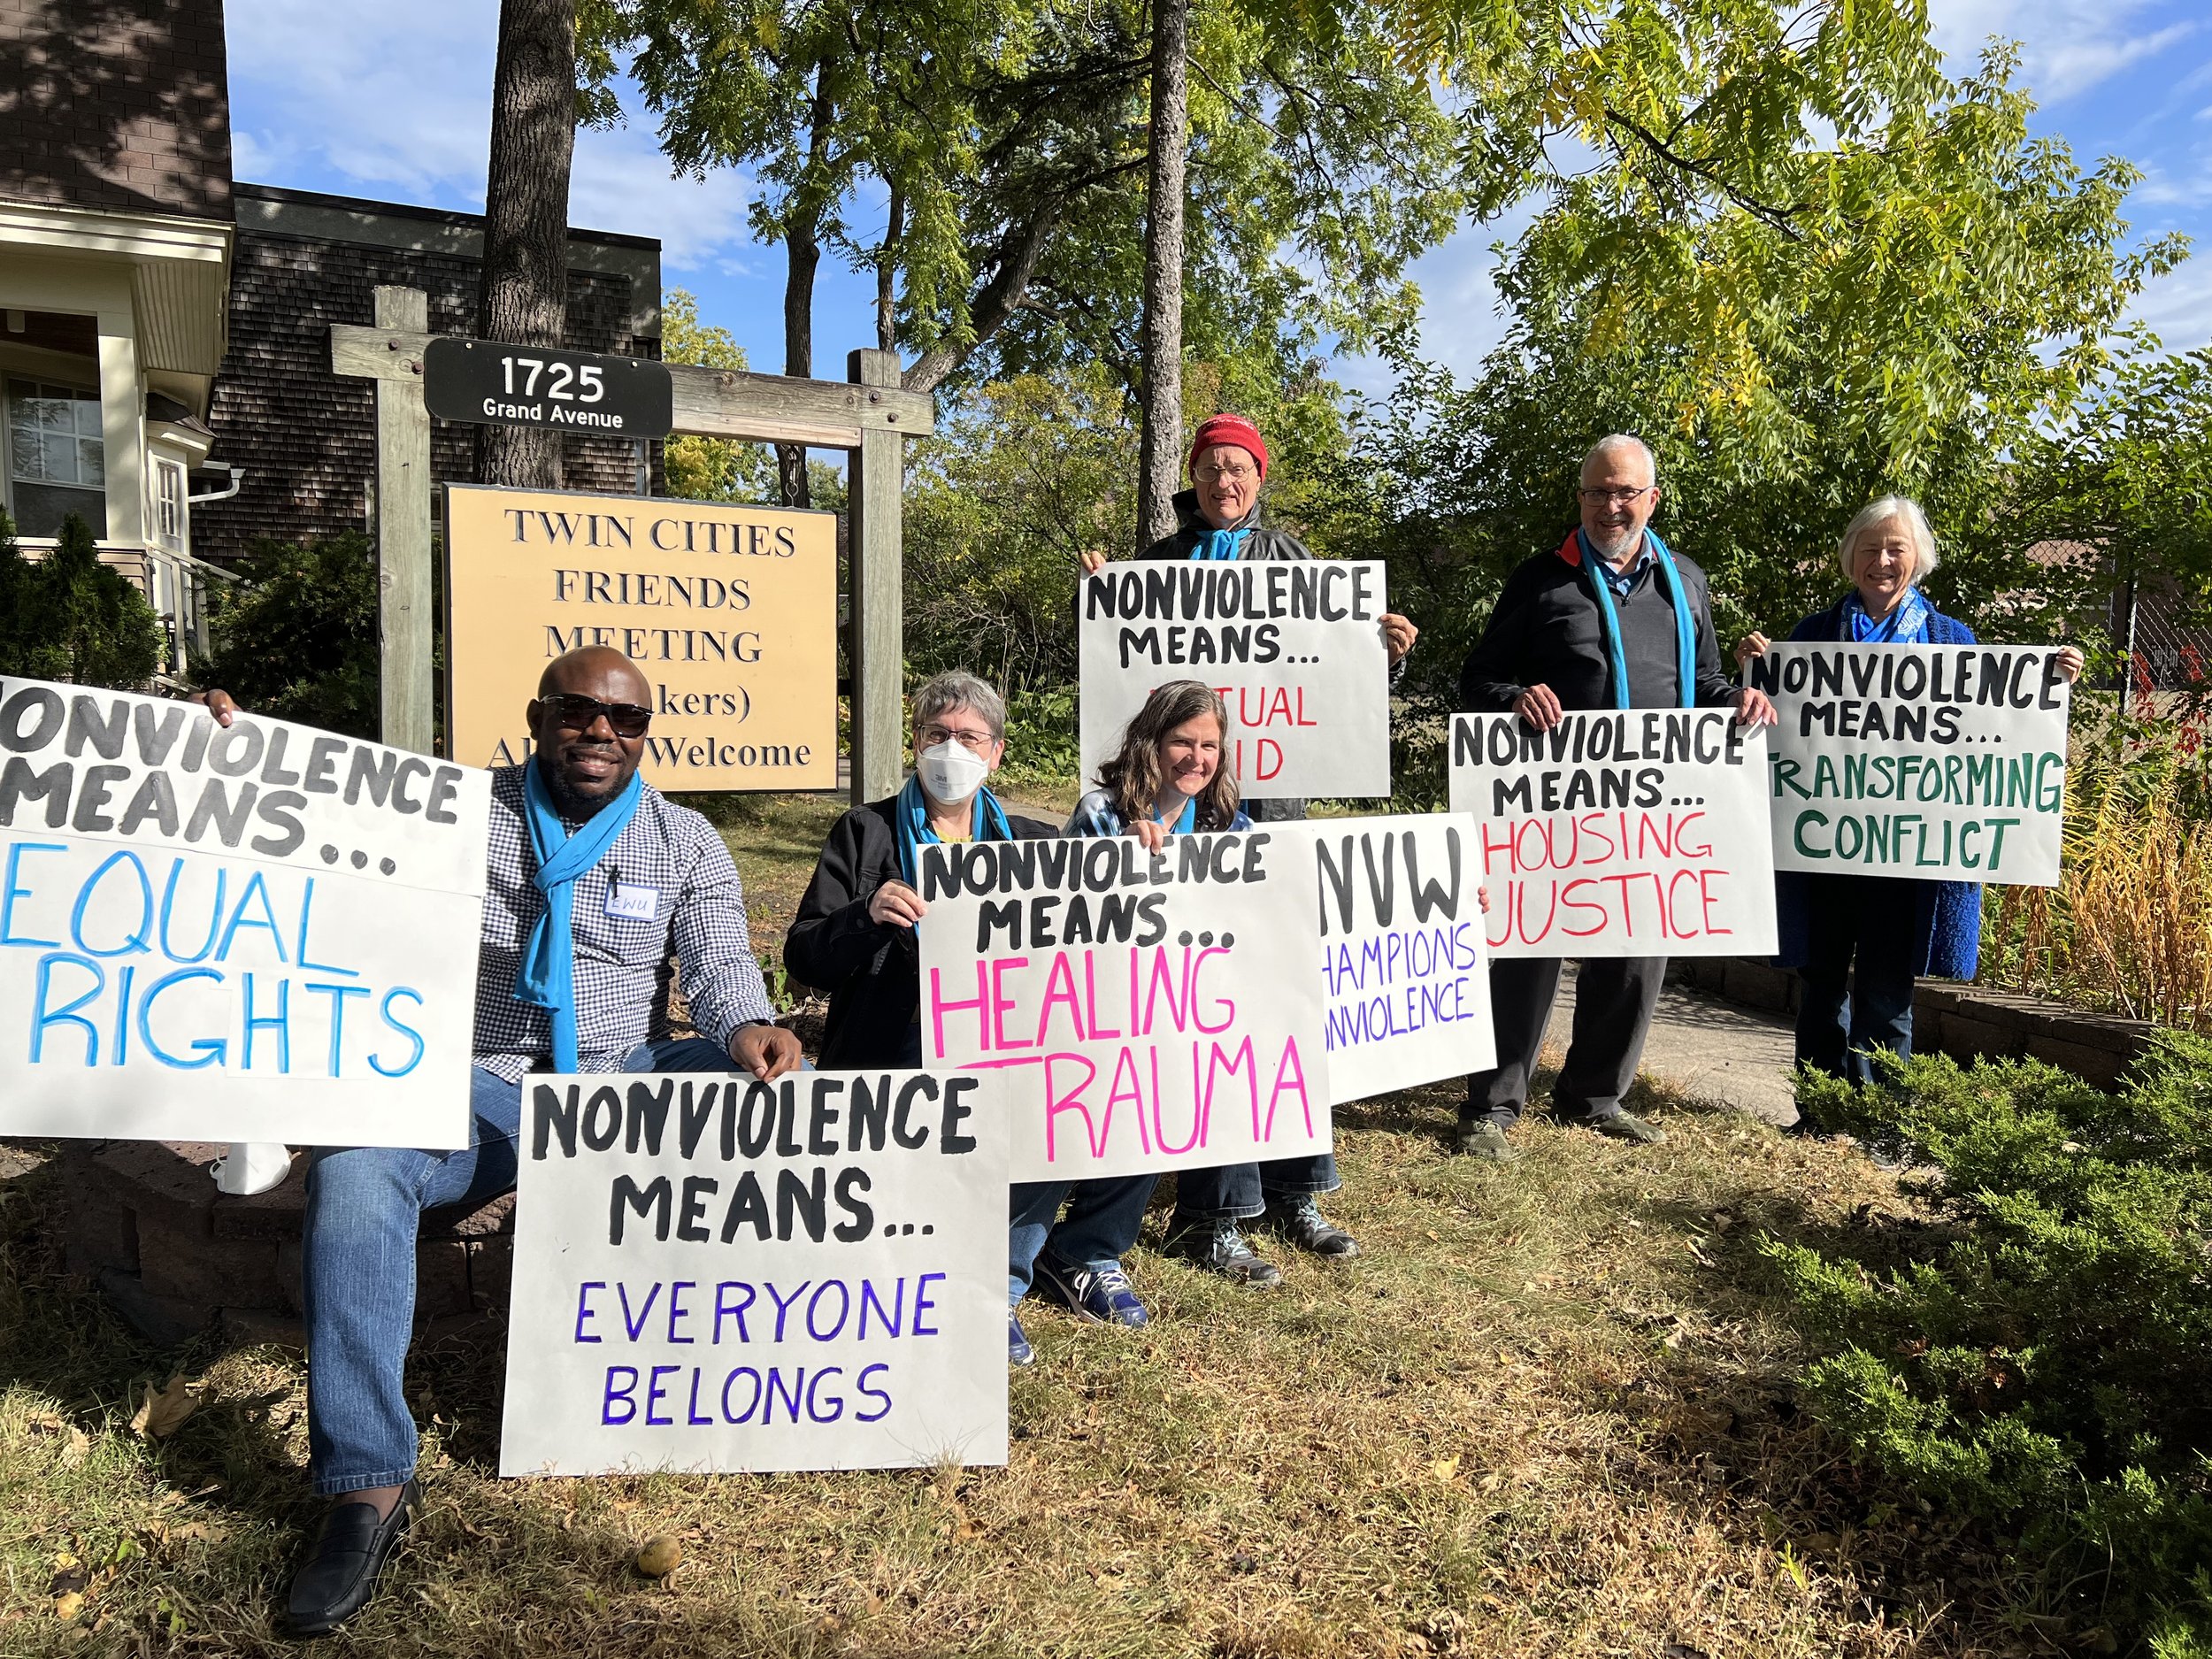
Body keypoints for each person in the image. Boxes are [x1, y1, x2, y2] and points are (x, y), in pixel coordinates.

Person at [268, 647, 804, 1634]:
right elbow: (314, 846)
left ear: (647, 735)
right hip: (483, 1081)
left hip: (625, 1074)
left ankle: (761, 1367)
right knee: (354, 1171)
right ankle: (366, 1484)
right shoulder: (455, 813)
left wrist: (746, 1028)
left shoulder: (684, 840)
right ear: (537, 715)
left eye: (627, 720)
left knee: (776, 1092)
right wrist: (230, 756)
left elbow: (724, 963)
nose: (601, 732)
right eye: (578, 711)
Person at [1453, 435, 1776, 1163]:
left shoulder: (1684, 582)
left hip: (1650, 811)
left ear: (1652, 499)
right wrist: (1513, 695)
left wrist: (1740, 701)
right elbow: (1479, 677)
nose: (1612, 505)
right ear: (1581, 499)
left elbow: (1707, 685)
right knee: (1524, 950)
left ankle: (1595, 1097)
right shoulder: (1541, 580)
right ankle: (1492, 1104)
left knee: (1636, 953)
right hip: (1550, 805)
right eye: (1598, 492)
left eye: (1626, 491)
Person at [785, 671, 1110, 1368]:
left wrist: (1141, 848)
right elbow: (805, 956)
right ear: (915, 742)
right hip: (889, 1051)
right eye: (937, 734)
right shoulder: (866, 833)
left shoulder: (1031, 843)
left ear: (995, 753)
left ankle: (1000, 1288)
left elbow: (1098, 921)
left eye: (969, 737)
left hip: (1003, 1052)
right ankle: (907, 1282)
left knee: (1058, 1101)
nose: (951, 749)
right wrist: (863, 918)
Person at [1735, 495, 2083, 1094]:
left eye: (1896, 547)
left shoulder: (1952, 639)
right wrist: (1754, 668)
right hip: (1823, 847)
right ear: (1850, 559)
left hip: (1905, 858)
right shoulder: (1812, 636)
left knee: (1887, 991)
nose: (1883, 560)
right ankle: (1820, 1106)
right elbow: (1770, 720)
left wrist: (2050, 676)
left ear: (1918, 556)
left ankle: (1878, 1115)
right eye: (1870, 549)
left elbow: (1996, 723)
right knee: (1820, 985)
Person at [1068, 679, 1354, 1285]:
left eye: (1210, 746)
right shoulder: (1102, 813)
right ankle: (1210, 1221)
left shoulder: (1232, 823)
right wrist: (1120, 859)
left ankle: (1281, 1197)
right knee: (1216, 1042)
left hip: (1203, 994)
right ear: (1150, 741)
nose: (1197, 758)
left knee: (1280, 1020)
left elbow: (1285, 908)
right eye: (1182, 742)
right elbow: (1067, 919)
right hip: (1124, 1004)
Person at [1080, 413, 1418, 822]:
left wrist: (1383, 661)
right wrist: (1098, 589)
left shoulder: (1291, 558)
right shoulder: (1156, 562)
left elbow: (1325, 670)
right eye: (1211, 469)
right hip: (1169, 790)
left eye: (1237, 469)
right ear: (1193, 477)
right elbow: (1110, 665)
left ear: (1259, 478)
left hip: (1267, 798)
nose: (1223, 483)